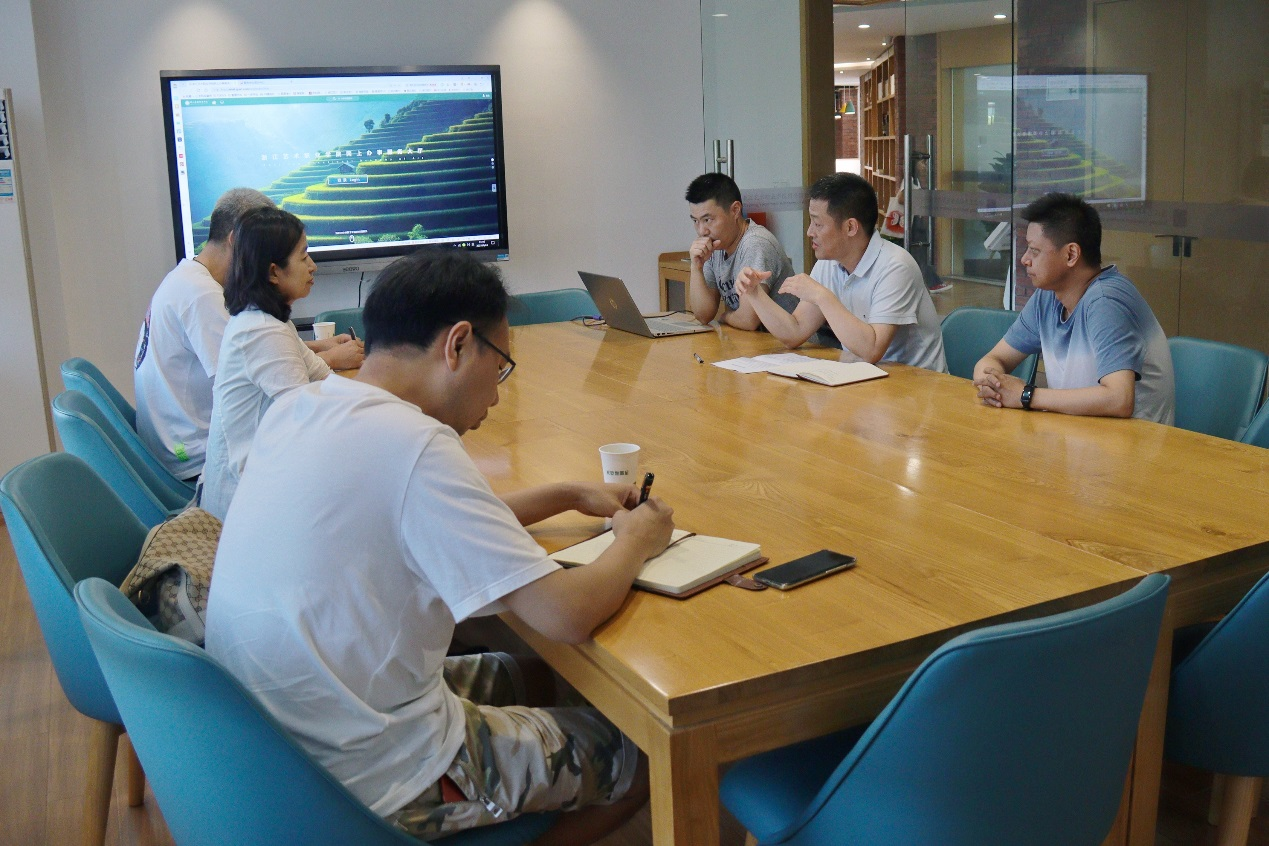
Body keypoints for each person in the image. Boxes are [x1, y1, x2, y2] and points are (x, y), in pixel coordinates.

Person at [205, 248, 674, 844]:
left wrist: (567, 494)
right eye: (500, 366)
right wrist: (636, 540)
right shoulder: (417, 444)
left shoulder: (304, 406)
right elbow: (566, 613)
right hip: (369, 779)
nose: (497, 396)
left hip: (269, 754)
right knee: (645, 753)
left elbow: (425, 526)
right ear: (458, 344)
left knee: (527, 674)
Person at [134, 188, 363, 481]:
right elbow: (282, 389)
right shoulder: (204, 296)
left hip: (193, 447)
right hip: (196, 459)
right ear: (241, 240)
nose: (312, 266)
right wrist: (334, 359)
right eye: (302, 255)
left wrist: (322, 351)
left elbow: (271, 357)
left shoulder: (200, 283)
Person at [972, 193, 1175, 423]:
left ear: (1071, 254)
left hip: (1131, 442)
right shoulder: (1047, 297)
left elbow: (1119, 399)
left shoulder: (1106, 301)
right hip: (1075, 433)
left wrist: (1026, 395)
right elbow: (994, 359)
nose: (1025, 259)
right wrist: (990, 383)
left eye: (1034, 250)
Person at [200, 207, 343, 519]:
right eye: (304, 257)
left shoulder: (270, 319)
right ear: (274, 272)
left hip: (263, 483)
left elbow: (323, 377)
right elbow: (305, 418)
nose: (313, 266)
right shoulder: (261, 331)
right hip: (242, 507)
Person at [735, 173, 947, 372]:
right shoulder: (829, 263)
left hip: (915, 384)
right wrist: (755, 294)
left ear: (850, 227)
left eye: (818, 224)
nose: (810, 232)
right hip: (864, 377)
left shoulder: (895, 266)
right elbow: (795, 332)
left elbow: (872, 349)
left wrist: (821, 296)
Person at [685, 172, 794, 329]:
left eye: (708, 220)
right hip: (758, 341)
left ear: (735, 210)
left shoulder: (755, 243)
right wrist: (696, 267)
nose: (702, 231)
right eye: (696, 221)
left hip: (791, 342)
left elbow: (748, 320)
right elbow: (703, 315)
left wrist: (725, 316)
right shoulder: (716, 246)